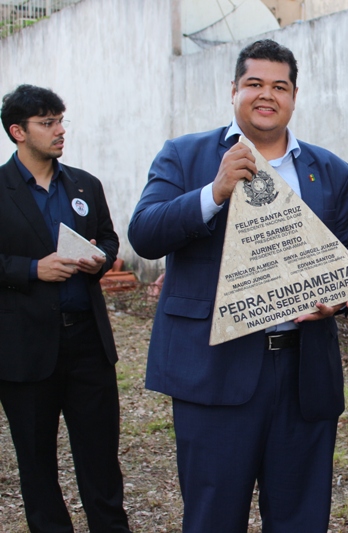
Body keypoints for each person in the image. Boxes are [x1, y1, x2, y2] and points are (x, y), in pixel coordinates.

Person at [127, 39, 348, 533]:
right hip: (214, 371)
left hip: (304, 375)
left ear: (294, 96)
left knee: (301, 520)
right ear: (233, 90)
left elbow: (344, 259)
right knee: (213, 518)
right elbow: (144, 233)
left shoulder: (331, 172)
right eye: (254, 83)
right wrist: (214, 192)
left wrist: (337, 301)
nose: (267, 94)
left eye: (280, 86)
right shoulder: (184, 155)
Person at [0, 85, 129, 532]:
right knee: (36, 464)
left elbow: (109, 238)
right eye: (47, 122)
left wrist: (99, 257)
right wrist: (32, 269)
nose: (59, 131)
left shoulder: (84, 184)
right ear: (18, 131)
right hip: (25, 348)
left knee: (100, 458)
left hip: (88, 344)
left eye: (60, 120)